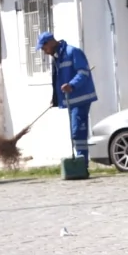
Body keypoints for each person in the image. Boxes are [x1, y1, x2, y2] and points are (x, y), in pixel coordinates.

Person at [36, 32, 97, 175]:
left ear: (50, 42)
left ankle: (82, 164)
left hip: (80, 98)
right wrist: (56, 97)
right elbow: (58, 79)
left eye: (44, 48)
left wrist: (72, 85)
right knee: (76, 133)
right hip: (71, 100)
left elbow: (83, 73)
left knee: (78, 132)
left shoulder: (72, 52)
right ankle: (81, 163)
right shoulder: (58, 57)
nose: (44, 52)